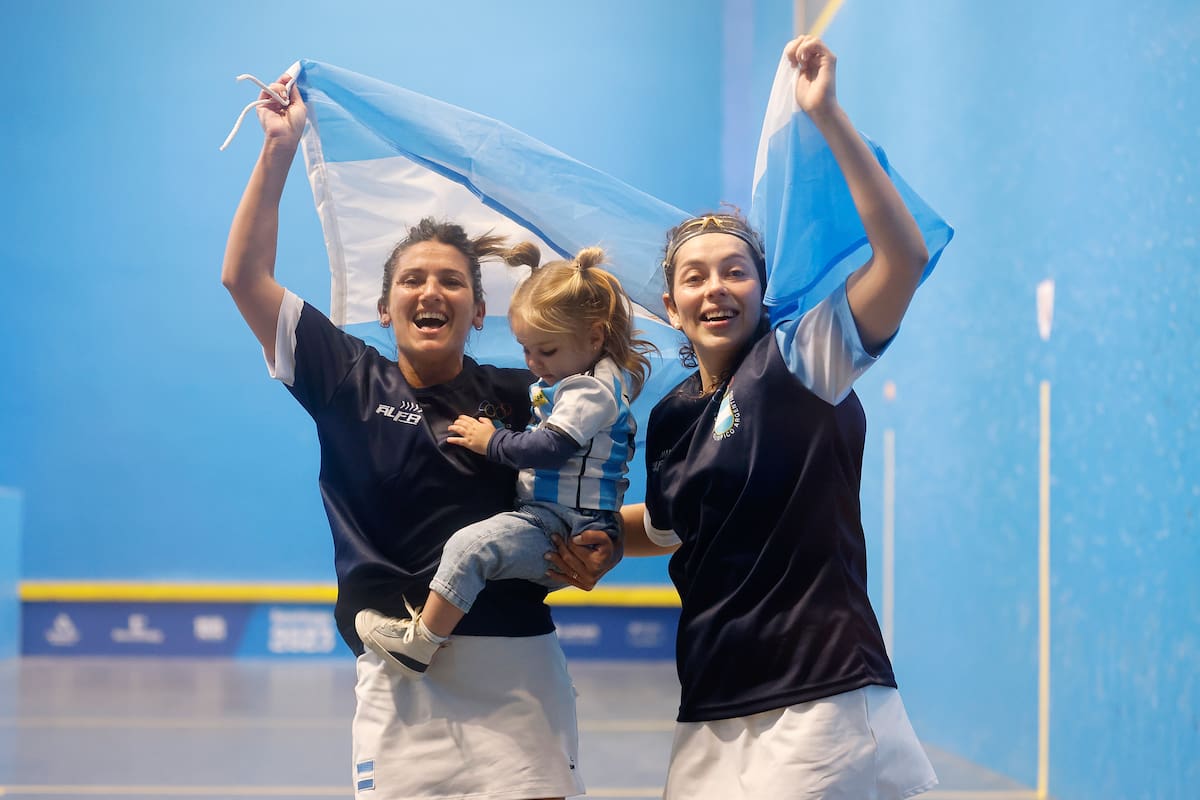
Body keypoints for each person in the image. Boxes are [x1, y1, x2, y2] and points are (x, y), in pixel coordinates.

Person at [220, 71, 615, 800]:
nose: (431, 291)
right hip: (398, 675)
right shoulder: (344, 374)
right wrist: (279, 146)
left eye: (452, 282)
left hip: (518, 672)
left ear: (478, 311)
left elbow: (589, 494)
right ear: (384, 304)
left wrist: (606, 545)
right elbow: (244, 277)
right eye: (412, 280)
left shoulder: (523, 395)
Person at [597, 36, 941, 799]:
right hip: (715, 702)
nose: (715, 287)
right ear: (671, 305)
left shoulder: (802, 360)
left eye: (735, 271)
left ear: (760, 287)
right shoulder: (675, 417)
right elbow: (664, 528)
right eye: (695, 276)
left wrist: (828, 117)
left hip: (820, 696)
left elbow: (904, 258)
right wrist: (561, 529)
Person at [356, 243, 653, 678]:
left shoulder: (588, 390)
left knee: (471, 547)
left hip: (560, 524)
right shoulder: (579, 379)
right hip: (559, 519)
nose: (534, 364)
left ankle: (421, 641)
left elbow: (548, 449)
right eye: (526, 350)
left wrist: (490, 440)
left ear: (594, 336)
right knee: (476, 545)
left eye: (546, 352)